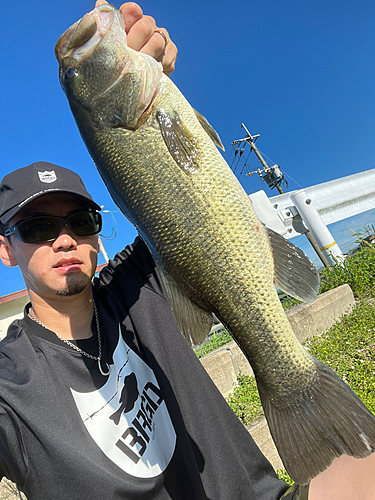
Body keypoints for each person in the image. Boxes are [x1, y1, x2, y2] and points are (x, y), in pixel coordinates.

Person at [0, 3, 374, 500]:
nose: (64, 238)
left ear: (98, 231)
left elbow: (184, 207)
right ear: (5, 249)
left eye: (81, 220)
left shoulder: (139, 285)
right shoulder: (9, 382)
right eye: (38, 226)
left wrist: (147, 70)